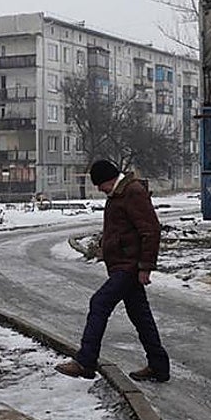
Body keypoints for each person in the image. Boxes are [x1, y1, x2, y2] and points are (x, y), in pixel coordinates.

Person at [55, 159, 170, 383]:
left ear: (109, 179)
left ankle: (85, 362)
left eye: (100, 184)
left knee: (99, 303)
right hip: (123, 264)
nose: (99, 189)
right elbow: (121, 229)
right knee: (141, 316)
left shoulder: (132, 192)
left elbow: (150, 231)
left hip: (128, 266)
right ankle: (159, 366)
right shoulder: (118, 194)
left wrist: (145, 267)